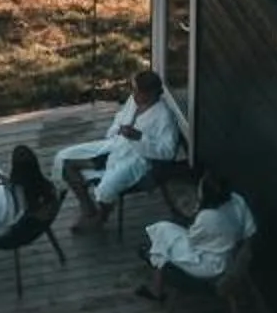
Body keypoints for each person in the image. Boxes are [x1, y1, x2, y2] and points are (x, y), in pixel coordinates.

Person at [52, 67, 189, 222]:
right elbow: (120, 117)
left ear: (150, 94)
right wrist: (116, 131)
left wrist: (139, 138)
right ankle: (88, 207)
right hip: (114, 144)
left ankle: (101, 218)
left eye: (137, 91)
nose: (133, 94)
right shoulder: (134, 100)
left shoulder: (164, 117)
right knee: (63, 157)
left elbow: (167, 152)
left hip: (137, 159)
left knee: (106, 189)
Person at [138, 169, 254, 303]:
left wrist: (193, 215)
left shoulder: (208, 216)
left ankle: (156, 284)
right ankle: (156, 285)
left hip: (209, 265)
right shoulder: (238, 202)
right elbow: (249, 232)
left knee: (163, 233)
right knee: (165, 233)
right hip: (228, 256)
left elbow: (193, 239)